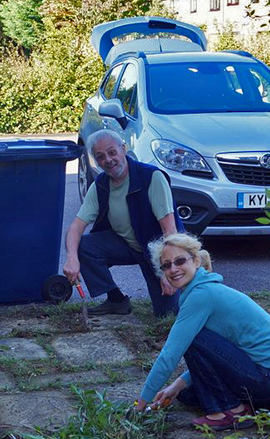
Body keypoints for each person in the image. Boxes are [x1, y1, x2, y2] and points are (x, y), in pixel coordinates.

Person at [135, 232, 270, 430]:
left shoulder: (202, 295)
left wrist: (141, 405)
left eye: (179, 261)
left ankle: (233, 412)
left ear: (195, 261)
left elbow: (170, 355)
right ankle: (265, 408)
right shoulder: (199, 288)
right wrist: (175, 386)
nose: (173, 269)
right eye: (166, 265)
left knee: (192, 340)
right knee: (186, 395)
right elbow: (217, 356)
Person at [63, 129, 183, 317]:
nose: (108, 160)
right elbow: (76, 227)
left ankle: (190, 291)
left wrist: (168, 270)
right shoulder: (100, 186)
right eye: (100, 157)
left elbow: (170, 231)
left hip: (160, 250)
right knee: (82, 245)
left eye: (112, 152)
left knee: (167, 314)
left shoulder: (152, 177)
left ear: (123, 149)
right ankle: (116, 301)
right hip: (128, 245)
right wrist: (71, 258)